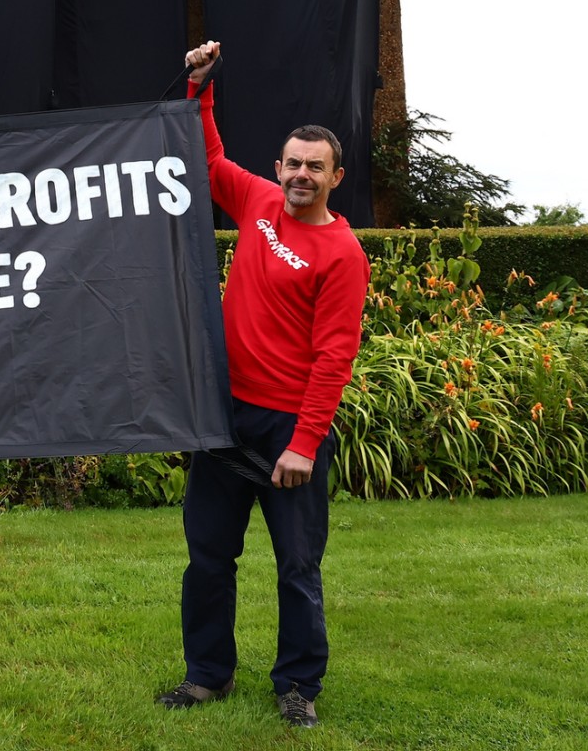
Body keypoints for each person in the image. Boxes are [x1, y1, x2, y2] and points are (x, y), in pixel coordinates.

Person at [157, 40, 370, 730]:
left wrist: (304, 444)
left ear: (336, 176)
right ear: (278, 167)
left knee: (296, 567)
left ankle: (298, 685)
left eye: (316, 167)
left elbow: (334, 357)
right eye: (293, 164)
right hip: (225, 417)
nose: (301, 175)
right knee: (209, 557)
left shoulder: (342, 254)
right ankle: (206, 676)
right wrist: (200, 90)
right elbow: (209, 161)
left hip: (289, 429)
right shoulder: (257, 202)